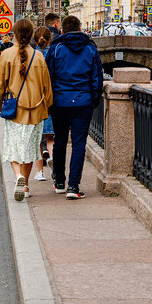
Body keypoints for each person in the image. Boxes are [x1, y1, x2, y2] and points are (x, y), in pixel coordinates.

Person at [0, 18, 53, 202]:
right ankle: (25, 185)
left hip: (14, 110)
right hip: (35, 111)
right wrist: (46, 107)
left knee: (13, 147)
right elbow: (47, 88)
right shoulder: (39, 56)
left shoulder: (6, 55)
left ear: (15, 35)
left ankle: (18, 176)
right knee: (30, 149)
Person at [44, 15, 105, 199]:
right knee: (79, 144)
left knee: (60, 140)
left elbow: (49, 76)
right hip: (82, 101)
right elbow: (97, 77)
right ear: (80, 29)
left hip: (60, 102)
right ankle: (73, 187)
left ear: (61, 30)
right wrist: (93, 99)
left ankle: (59, 182)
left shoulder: (56, 48)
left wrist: (51, 100)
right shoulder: (90, 48)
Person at [33, 26, 55, 181]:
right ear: (50, 39)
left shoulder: (32, 55)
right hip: (52, 99)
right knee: (50, 138)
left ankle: (40, 172)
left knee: (37, 141)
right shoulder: (55, 53)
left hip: (35, 100)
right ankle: (53, 158)